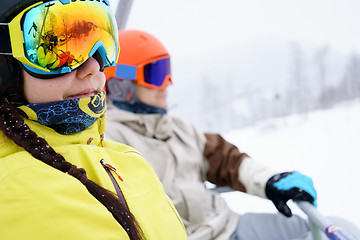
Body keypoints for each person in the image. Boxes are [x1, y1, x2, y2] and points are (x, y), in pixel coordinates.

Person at [104, 30, 360, 240]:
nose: (167, 82)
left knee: (335, 229)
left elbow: (228, 162)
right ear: (120, 83)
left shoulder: (180, 128)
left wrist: (270, 181)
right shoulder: (109, 141)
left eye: (167, 70)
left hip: (230, 227)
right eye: (156, 73)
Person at [0, 1, 187, 239]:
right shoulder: (13, 190)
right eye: (56, 46)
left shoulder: (129, 159)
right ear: (5, 68)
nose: (94, 66)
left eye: (102, 41)